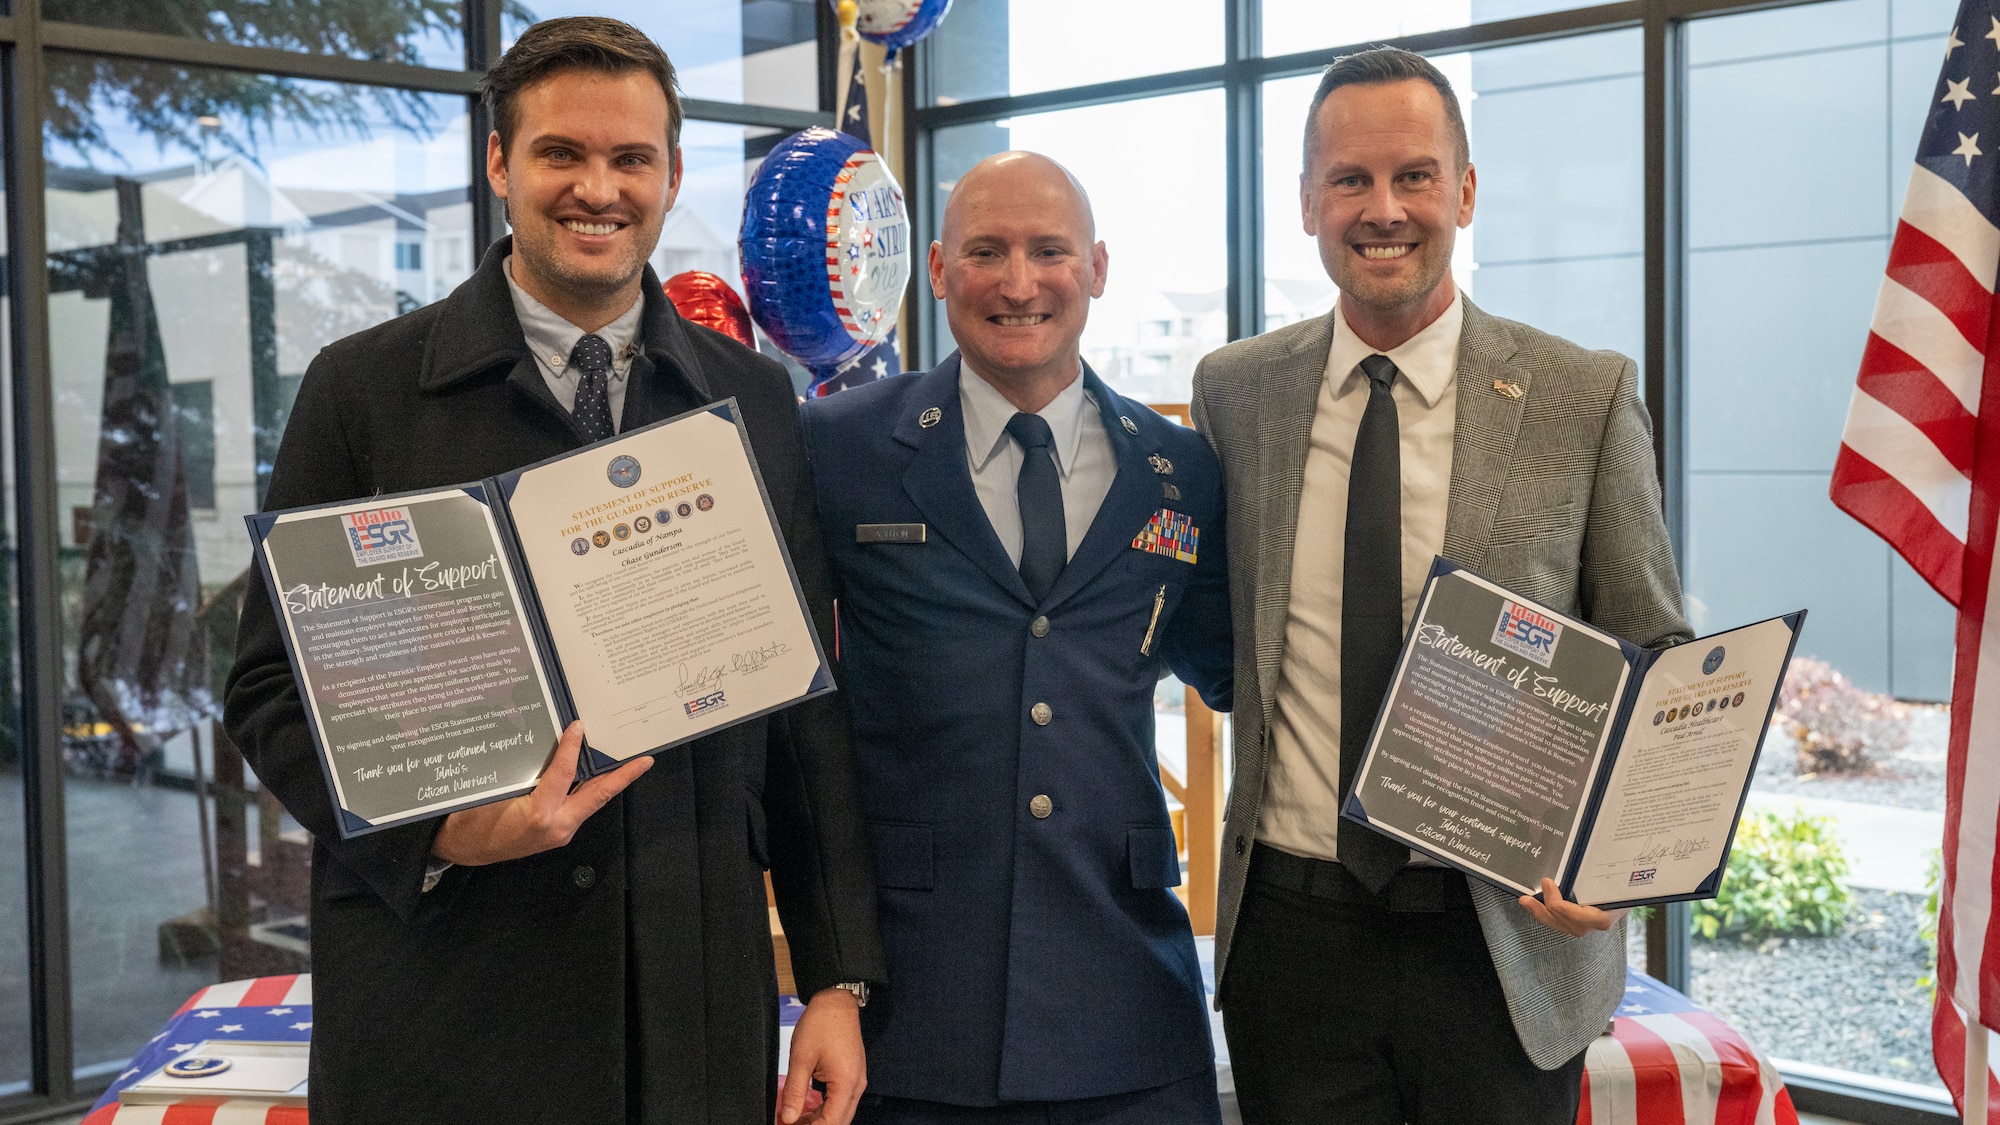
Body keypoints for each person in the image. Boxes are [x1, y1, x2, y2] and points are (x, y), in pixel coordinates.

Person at [223, 17, 885, 1125]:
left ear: (672, 176)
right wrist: (441, 835)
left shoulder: (751, 398)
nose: (598, 188)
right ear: (498, 166)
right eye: (560, 154)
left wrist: (834, 975)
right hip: (449, 1004)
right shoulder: (363, 391)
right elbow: (264, 691)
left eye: (631, 159)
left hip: (690, 1005)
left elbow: (803, 713)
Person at [1191, 47, 1691, 1124]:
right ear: (1305, 203)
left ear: (1462, 192)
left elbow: (1650, 648)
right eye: (1349, 180)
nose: (1382, 210)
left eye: (1414, 175)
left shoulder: (1578, 396)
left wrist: (1616, 858)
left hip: (1501, 942)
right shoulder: (1236, 394)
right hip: (1293, 936)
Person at [800, 151, 1233, 1124]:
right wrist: (832, 973)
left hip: (1129, 1002)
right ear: (942, 268)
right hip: (913, 1011)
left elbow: (1243, 672)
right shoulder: (838, 447)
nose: (1018, 281)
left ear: (1098, 267)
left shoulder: (1181, 469)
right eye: (987, 252)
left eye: (1049, 251)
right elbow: (794, 717)